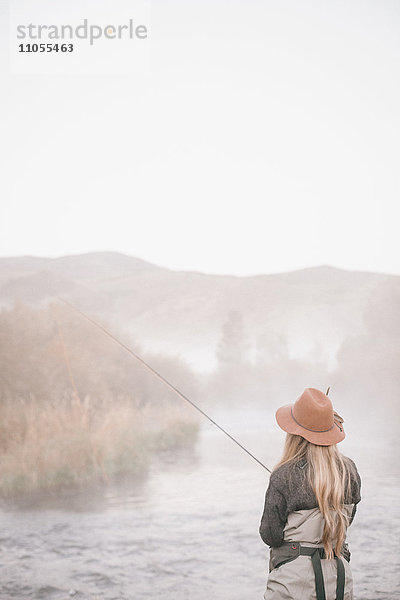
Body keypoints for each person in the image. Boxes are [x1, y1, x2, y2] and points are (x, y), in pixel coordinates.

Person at [259, 387, 361, 600]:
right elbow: (348, 520)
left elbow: (270, 535)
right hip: (339, 580)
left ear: (294, 434)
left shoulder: (282, 475)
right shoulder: (349, 470)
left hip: (293, 583)